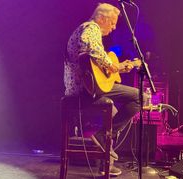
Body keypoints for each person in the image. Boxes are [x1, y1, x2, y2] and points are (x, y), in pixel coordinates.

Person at [64, 3, 145, 176]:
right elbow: (92, 48)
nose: (114, 27)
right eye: (112, 22)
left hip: (85, 87)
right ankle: (102, 136)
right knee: (140, 97)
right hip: (84, 89)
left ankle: (105, 164)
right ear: (101, 18)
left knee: (115, 114)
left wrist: (118, 67)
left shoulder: (89, 30)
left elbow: (94, 62)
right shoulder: (90, 28)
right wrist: (114, 67)